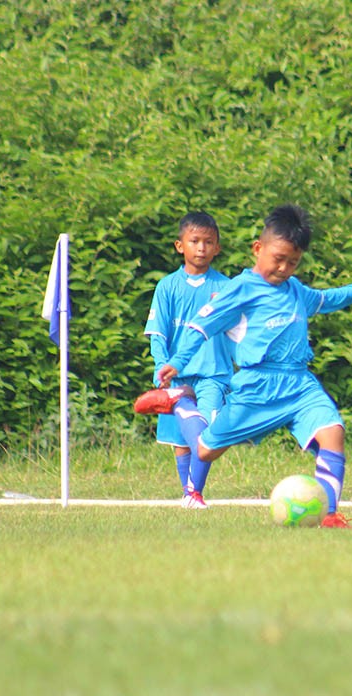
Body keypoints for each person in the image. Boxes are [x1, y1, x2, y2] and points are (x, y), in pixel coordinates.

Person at [134, 203, 352, 528]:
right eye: (278, 259)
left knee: (333, 432)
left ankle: (329, 515)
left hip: (299, 385)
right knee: (204, 450)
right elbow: (201, 325)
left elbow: (326, 299)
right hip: (255, 387)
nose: (284, 268)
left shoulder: (295, 289)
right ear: (258, 249)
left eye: (293, 262)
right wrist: (177, 362)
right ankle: (181, 402)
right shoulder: (239, 288)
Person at [139, 212, 233, 509]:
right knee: (181, 442)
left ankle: (194, 493)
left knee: (205, 432)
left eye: (209, 242)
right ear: (180, 246)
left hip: (213, 374)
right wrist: (160, 367)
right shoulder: (167, 287)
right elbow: (158, 333)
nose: (201, 248)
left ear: (217, 248)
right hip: (176, 377)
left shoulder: (226, 287)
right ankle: (188, 494)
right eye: (195, 241)